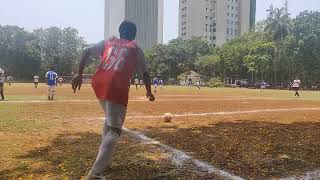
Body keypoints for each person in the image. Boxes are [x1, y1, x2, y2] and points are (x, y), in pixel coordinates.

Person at [71, 21, 155, 179]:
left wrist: (79, 74)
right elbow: (145, 73)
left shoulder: (108, 41)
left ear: (120, 31)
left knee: (110, 119)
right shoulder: (135, 48)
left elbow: (85, 51)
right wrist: (149, 92)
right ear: (134, 34)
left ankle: (105, 159)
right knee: (115, 130)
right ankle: (95, 173)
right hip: (116, 85)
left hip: (99, 82)